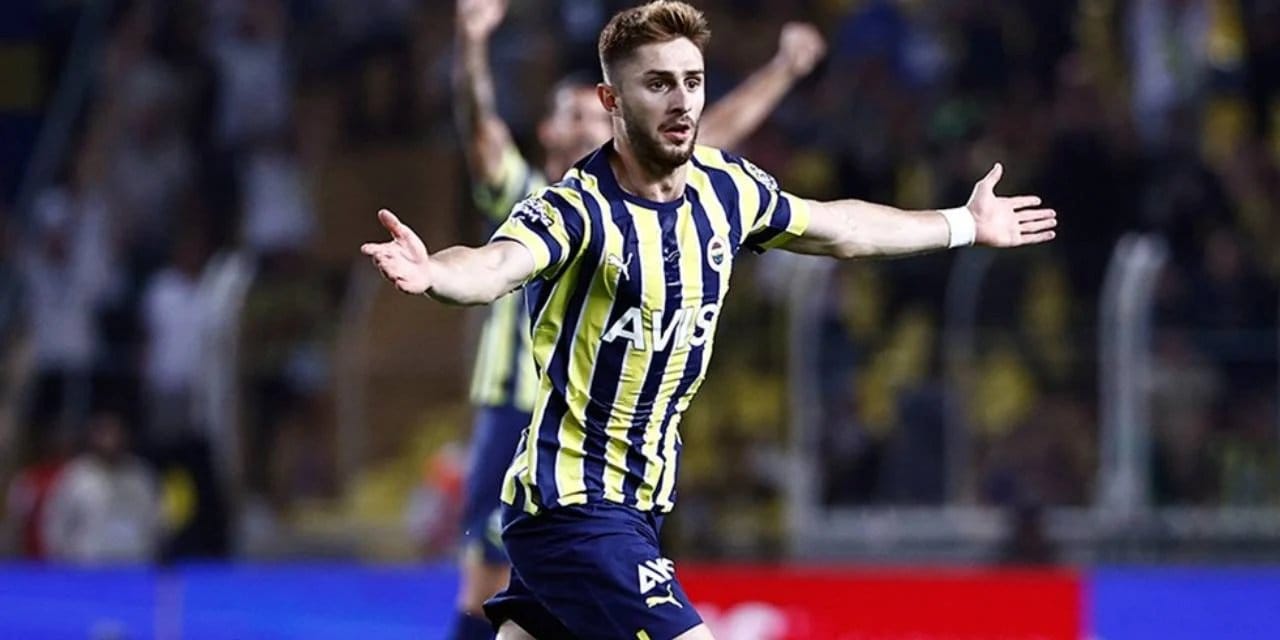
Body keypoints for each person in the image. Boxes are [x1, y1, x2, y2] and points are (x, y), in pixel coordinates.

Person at [363, 2, 1056, 638]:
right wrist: (435, 276)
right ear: (611, 101)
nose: (681, 100)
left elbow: (840, 228)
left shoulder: (726, 189)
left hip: (636, 508)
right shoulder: (575, 208)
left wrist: (962, 223)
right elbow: (495, 265)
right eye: (657, 83)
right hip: (576, 508)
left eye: (692, 82)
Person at [449, 0, 825, 638]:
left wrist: (782, 71)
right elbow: (477, 130)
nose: (585, 125)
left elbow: (712, 132)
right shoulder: (533, 197)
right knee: (485, 584)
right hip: (524, 418)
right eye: (570, 114)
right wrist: (471, 40)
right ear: (549, 131)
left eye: (592, 115)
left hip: (622, 445)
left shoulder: (665, 189)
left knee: (542, 612)